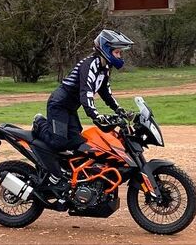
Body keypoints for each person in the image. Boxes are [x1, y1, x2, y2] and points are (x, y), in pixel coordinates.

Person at [33, 29, 134, 196]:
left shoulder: (105, 68)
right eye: (117, 52)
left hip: (70, 108)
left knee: (77, 142)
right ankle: (39, 123)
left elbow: (105, 92)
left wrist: (119, 109)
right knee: (58, 141)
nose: (119, 56)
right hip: (58, 105)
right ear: (106, 50)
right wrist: (95, 115)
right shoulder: (90, 65)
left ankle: (66, 174)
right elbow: (85, 92)